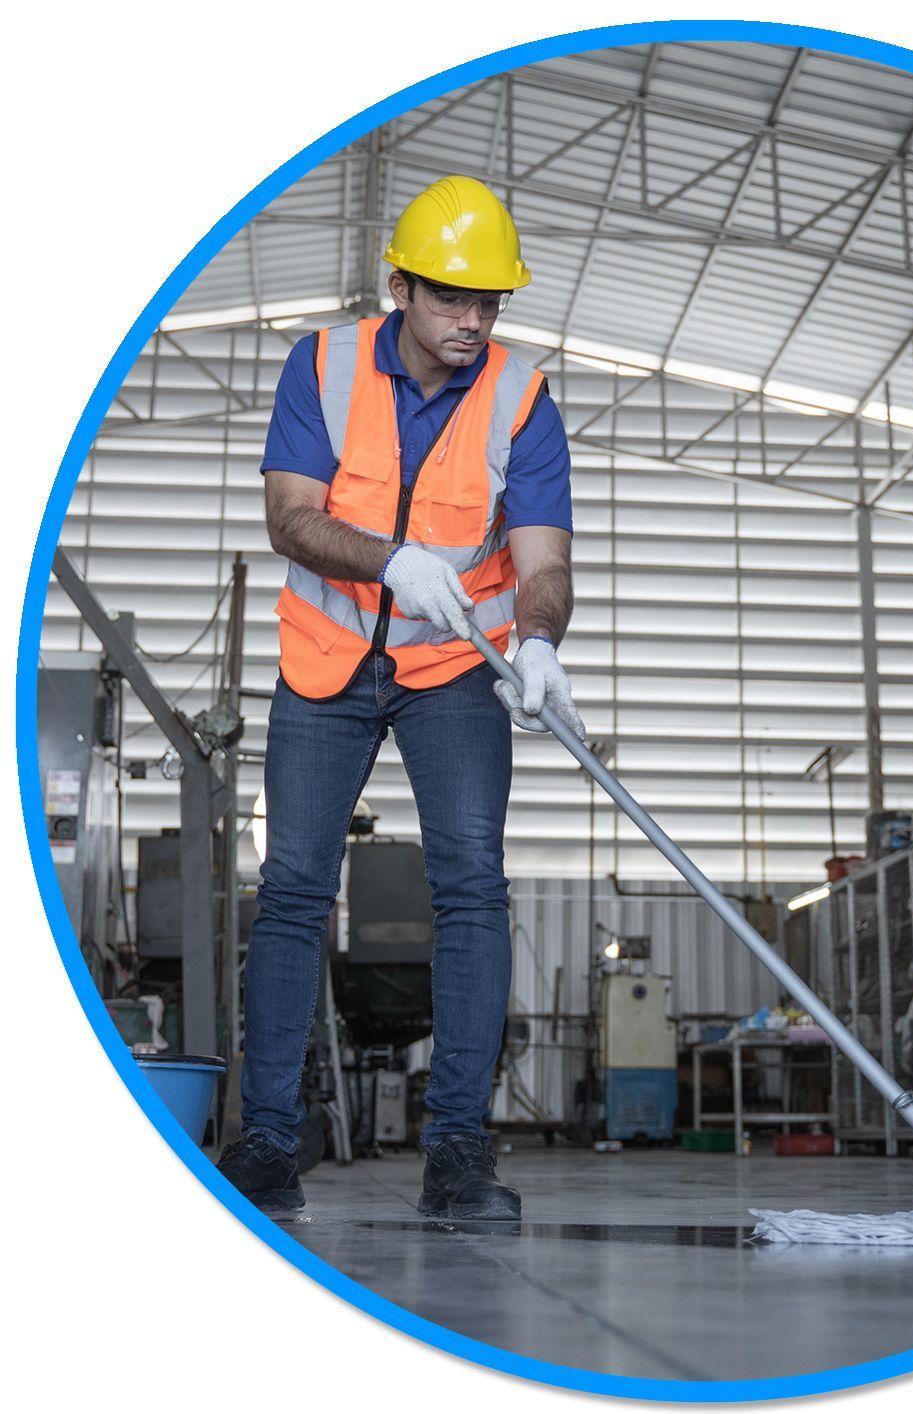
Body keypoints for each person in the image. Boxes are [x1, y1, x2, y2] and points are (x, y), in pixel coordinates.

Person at [216, 175, 583, 1219]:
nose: (474, 322)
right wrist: (390, 560)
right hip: (327, 660)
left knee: (473, 888)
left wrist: (542, 640)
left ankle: (460, 1153)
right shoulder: (324, 366)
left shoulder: (522, 397)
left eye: (490, 302)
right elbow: (292, 518)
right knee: (292, 890)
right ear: (400, 287)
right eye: (451, 299)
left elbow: (543, 557)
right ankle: (269, 1144)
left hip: (453, 670)